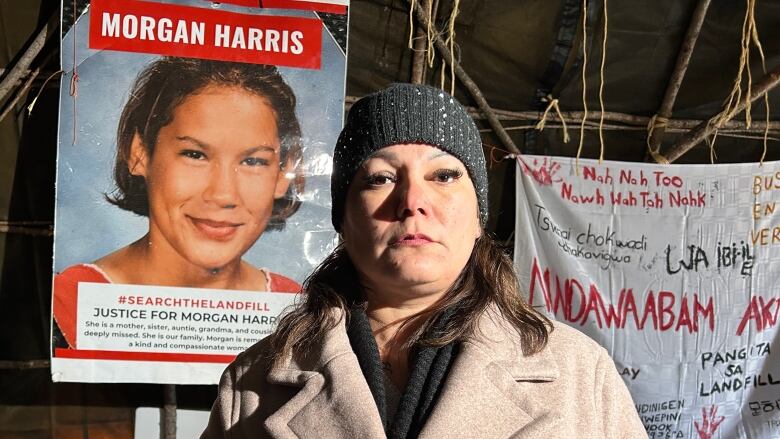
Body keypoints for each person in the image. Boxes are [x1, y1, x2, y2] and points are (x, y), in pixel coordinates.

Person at [201, 83, 647, 438]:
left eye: (445, 175)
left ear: (478, 217)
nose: (413, 201)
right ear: (344, 219)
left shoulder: (579, 373)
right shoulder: (253, 383)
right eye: (380, 178)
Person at [53, 57, 304, 348]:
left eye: (253, 161)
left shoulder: (294, 306)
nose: (223, 195)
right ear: (139, 154)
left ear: (283, 174)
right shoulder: (75, 299)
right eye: (195, 155)